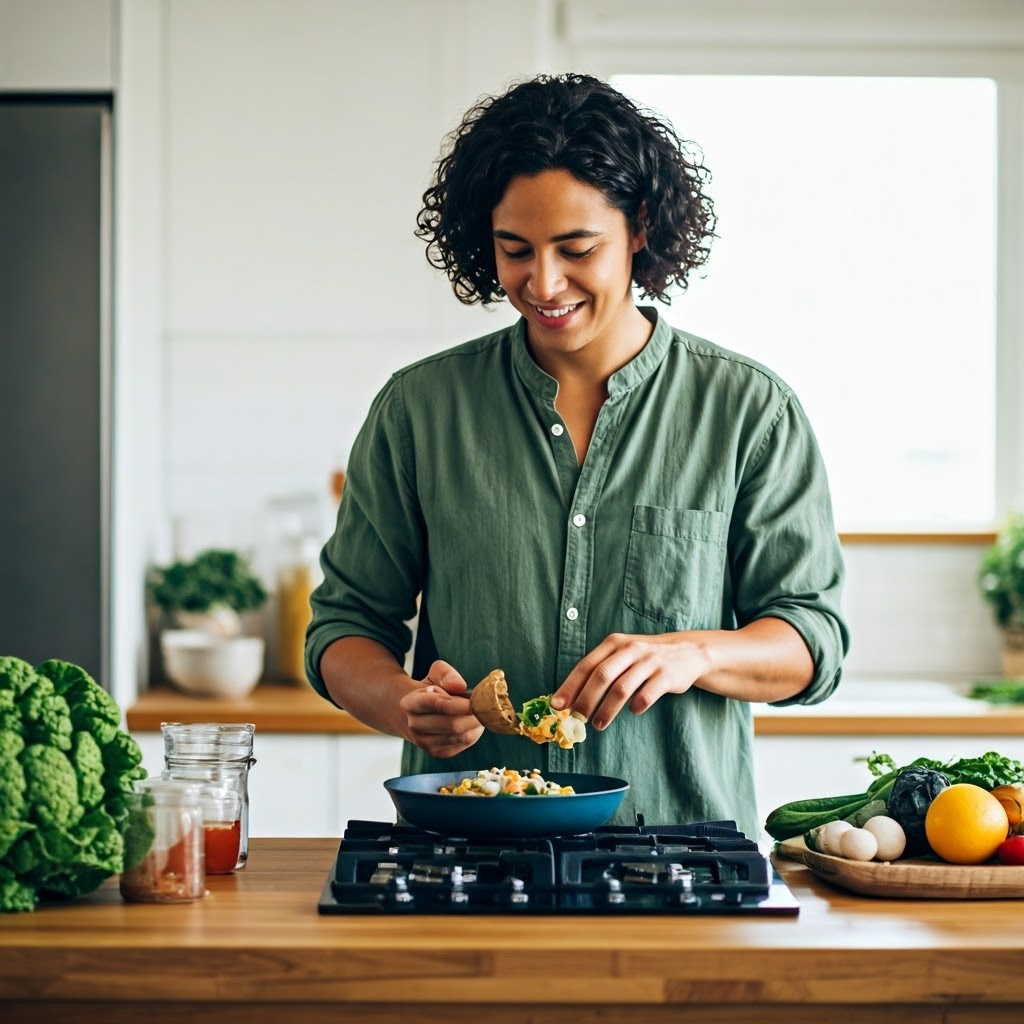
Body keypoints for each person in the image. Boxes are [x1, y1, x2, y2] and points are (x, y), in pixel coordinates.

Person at [305, 73, 849, 839]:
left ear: (641, 228)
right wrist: (401, 701)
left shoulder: (749, 411)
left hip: (676, 854)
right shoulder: (419, 410)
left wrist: (692, 653)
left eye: (576, 248)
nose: (543, 282)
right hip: (470, 854)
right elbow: (343, 628)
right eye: (514, 250)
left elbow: (811, 639)